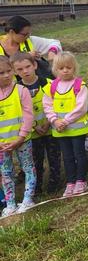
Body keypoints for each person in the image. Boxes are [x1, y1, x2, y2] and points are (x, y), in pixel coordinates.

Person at [43, 52, 88, 197]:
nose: (65, 70)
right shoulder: (51, 87)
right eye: (61, 68)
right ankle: (70, 182)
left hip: (76, 129)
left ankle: (81, 180)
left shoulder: (79, 86)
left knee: (79, 154)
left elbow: (81, 107)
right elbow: (47, 106)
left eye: (68, 67)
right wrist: (54, 120)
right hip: (60, 130)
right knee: (67, 156)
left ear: (74, 68)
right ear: (55, 69)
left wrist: (65, 120)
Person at [11, 52, 60, 194]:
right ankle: (36, 186)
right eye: (20, 69)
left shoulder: (49, 84)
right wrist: (33, 126)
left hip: (51, 129)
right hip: (32, 134)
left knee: (54, 158)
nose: (25, 71)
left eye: (28, 67)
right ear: (14, 71)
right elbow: (18, 112)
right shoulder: (16, 91)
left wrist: (49, 122)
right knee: (36, 161)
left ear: (35, 65)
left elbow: (57, 104)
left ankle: (54, 183)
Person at [0, 55, 35, 217]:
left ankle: (28, 200)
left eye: (9, 71)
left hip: (22, 141)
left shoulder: (21, 90)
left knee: (27, 167)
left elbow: (28, 115)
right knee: (6, 173)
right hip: (2, 145)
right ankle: (10, 203)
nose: (6, 75)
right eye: (1, 73)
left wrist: (20, 137)